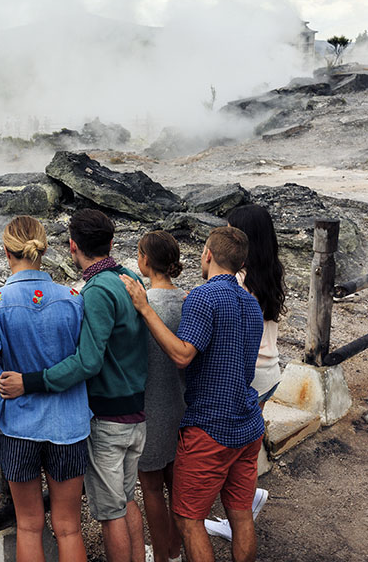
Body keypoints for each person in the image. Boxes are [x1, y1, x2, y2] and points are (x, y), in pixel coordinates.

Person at [0, 209, 149, 562]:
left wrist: (31, 381)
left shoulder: (95, 292)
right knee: (127, 501)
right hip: (136, 411)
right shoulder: (128, 278)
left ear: (71, 247)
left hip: (109, 415)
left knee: (111, 514)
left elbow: (88, 361)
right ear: (111, 243)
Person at [120, 226, 264, 562]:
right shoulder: (251, 303)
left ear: (208, 255)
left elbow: (183, 355)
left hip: (211, 426)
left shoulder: (204, 297)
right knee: (240, 515)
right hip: (249, 422)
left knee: (188, 518)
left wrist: (145, 308)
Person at [0, 215, 89, 562]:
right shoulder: (73, 299)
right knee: (69, 527)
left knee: (29, 525)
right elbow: (85, 360)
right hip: (70, 426)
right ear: (44, 249)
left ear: (6, 252)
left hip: (19, 428)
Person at [204, 204, 286, 540]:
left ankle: (240, 509)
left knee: (228, 447)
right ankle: (250, 498)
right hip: (271, 370)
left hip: (248, 371)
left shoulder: (237, 280)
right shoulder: (272, 270)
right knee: (246, 446)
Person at [135, 231, 186, 562]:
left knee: (151, 488)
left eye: (138, 253)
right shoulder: (190, 301)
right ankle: (178, 548)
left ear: (146, 261)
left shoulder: (144, 306)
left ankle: (163, 555)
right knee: (177, 486)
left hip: (150, 407)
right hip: (181, 406)